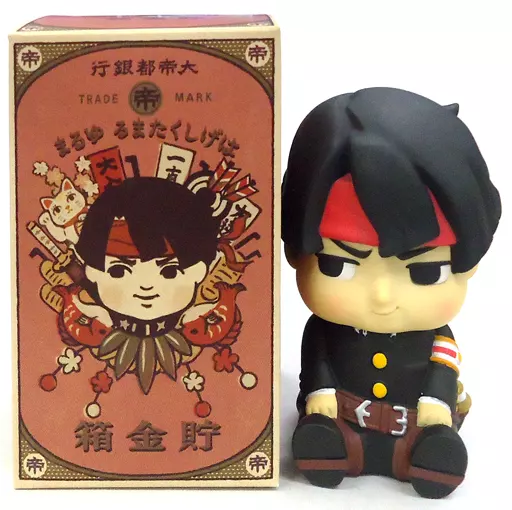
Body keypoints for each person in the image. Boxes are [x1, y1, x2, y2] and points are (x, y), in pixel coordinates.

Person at [282, 87, 501, 498]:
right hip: (346, 416)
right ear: (295, 252)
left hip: (412, 422)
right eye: (338, 265)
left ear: (469, 265)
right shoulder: (325, 330)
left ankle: (428, 454)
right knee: (327, 436)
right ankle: (330, 447)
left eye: (424, 272)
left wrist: (438, 403)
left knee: (428, 445)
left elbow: (443, 369)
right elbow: (317, 360)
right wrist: (320, 392)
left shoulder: (437, 339)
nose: (382, 296)